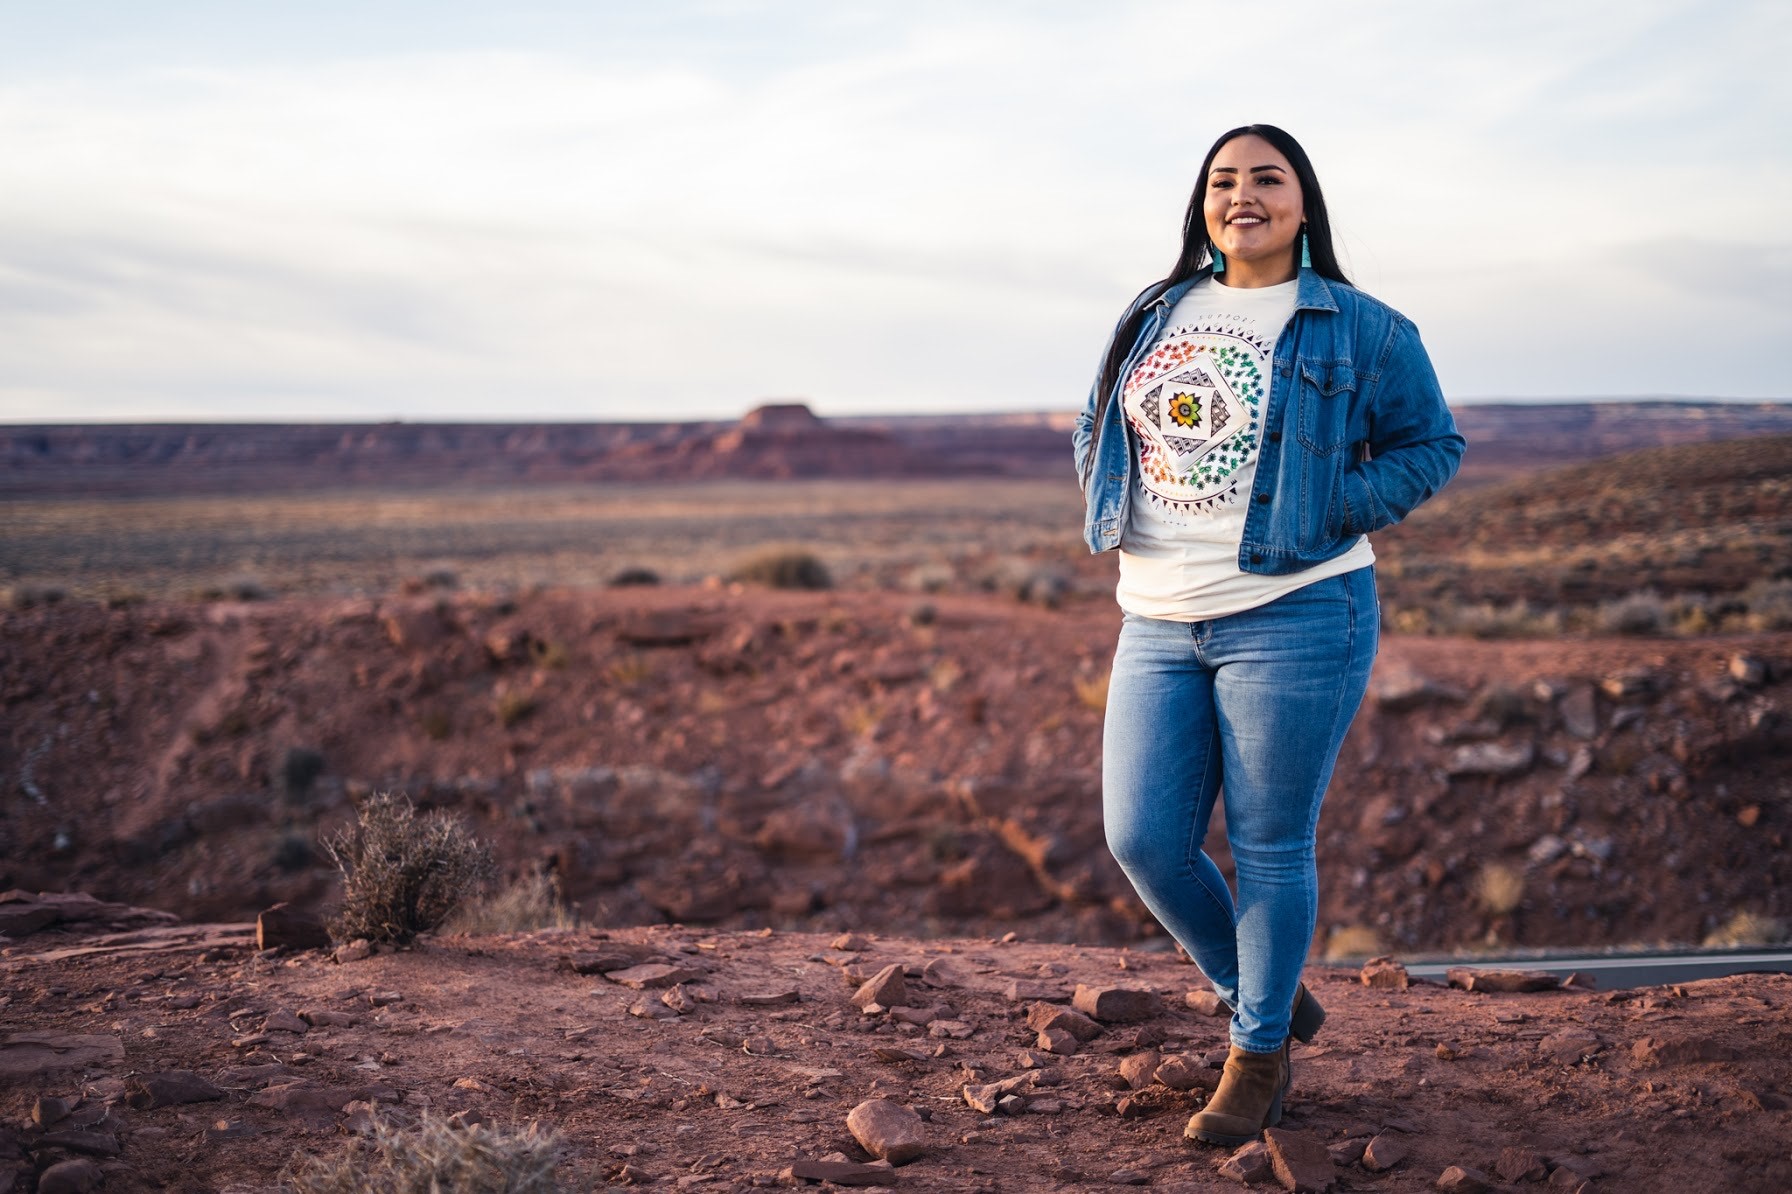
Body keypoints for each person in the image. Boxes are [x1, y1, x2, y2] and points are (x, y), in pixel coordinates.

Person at [1072, 124, 1464, 1146]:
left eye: (1265, 179)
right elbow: (1096, 423)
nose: (1241, 195)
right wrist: (1110, 502)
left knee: (1269, 847)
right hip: (1154, 615)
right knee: (1143, 840)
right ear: (1202, 205)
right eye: (1222, 181)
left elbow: (1433, 443)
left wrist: (1333, 505)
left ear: (1302, 201)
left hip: (1296, 611)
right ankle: (1269, 993)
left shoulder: (1360, 327)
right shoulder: (1155, 310)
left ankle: (1255, 1057)